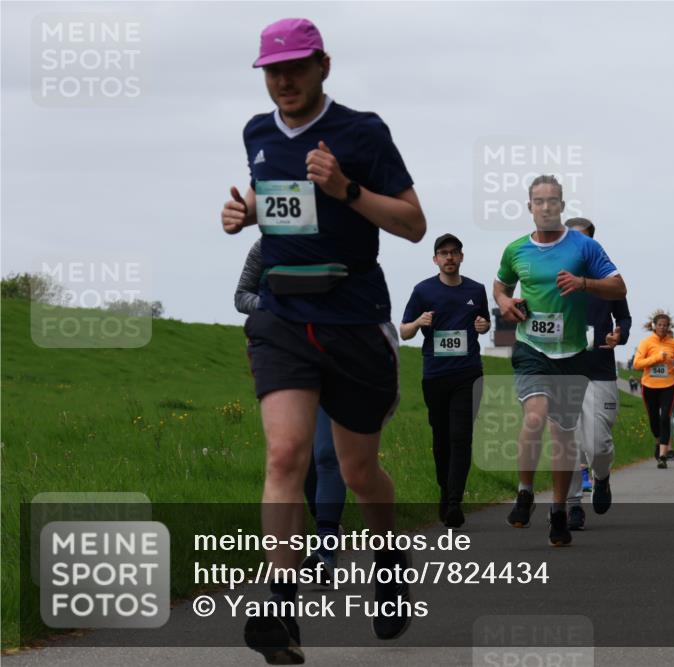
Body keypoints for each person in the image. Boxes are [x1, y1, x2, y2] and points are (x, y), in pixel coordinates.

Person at [221, 18, 427, 661]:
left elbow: (415, 225)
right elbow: (277, 198)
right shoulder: (257, 133)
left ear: (323, 67)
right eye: (272, 71)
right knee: (286, 457)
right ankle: (280, 606)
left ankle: (389, 563)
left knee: (360, 470)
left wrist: (347, 189)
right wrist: (246, 212)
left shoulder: (363, 132)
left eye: (296, 68)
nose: (283, 81)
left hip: (354, 319)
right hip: (283, 318)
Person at [494, 176, 626, 546]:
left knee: (563, 437)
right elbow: (501, 285)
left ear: (562, 207)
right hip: (531, 349)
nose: (546, 206)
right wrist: (504, 303)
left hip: (571, 355)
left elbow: (619, 287)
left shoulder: (585, 247)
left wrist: (585, 284)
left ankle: (558, 511)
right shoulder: (516, 249)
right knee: (535, 418)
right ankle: (524, 491)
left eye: (553, 200)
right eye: (539, 201)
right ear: (530, 207)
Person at [235, 239, 345, 584]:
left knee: (327, 453)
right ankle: (324, 531)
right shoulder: (263, 248)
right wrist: (275, 306)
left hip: (333, 355)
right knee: (300, 459)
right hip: (284, 359)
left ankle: (325, 551)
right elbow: (241, 296)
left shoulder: (336, 242)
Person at [400, 234, 490, 529]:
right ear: (435, 259)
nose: (449, 258)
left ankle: (454, 502)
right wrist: (418, 323)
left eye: (454, 253)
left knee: (461, 437)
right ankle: (444, 491)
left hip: (468, 373)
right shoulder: (423, 290)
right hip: (436, 375)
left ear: (461, 257)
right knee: (442, 440)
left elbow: (484, 321)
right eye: (443, 253)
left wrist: (483, 325)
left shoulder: (476, 290)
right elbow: (404, 331)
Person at [561, 218, 631, 531]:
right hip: (563, 368)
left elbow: (625, 318)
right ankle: (573, 505)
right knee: (569, 441)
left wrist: (620, 335)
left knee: (598, 445)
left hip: (600, 370)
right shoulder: (554, 276)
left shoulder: (608, 279)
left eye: (584, 240)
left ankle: (601, 478)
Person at [633, 311, 674, 468]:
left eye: (665, 325)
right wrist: (657, 358)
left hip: (668, 385)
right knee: (654, 419)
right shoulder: (646, 342)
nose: (662, 327)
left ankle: (663, 455)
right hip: (649, 386)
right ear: (654, 326)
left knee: (664, 418)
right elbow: (637, 364)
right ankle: (658, 441)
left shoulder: (672, 343)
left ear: (668, 327)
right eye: (659, 325)